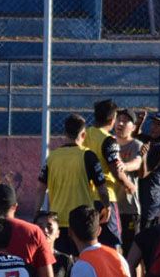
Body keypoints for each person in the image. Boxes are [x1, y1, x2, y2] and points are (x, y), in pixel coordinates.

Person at [39, 113, 110, 254]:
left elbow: (40, 189)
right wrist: (107, 207)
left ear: (65, 133)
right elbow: (102, 189)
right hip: (82, 222)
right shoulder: (88, 156)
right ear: (83, 134)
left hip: (58, 221)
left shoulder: (52, 157)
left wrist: (37, 213)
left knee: (61, 264)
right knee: (83, 261)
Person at [86, 100, 138, 246]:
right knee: (113, 243)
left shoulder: (85, 135)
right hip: (105, 198)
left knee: (91, 242)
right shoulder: (108, 140)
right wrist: (129, 185)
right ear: (112, 119)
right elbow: (116, 170)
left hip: (85, 196)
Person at [135, 111, 160, 228]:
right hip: (139, 198)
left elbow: (143, 174)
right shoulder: (154, 140)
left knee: (145, 239)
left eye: (159, 125)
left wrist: (143, 156)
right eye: (153, 123)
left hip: (149, 204)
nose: (154, 127)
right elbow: (136, 136)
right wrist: (139, 123)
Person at [113, 108, 144, 251]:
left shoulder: (136, 145)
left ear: (133, 127)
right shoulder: (109, 143)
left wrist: (123, 166)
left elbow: (137, 163)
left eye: (125, 121)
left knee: (130, 250)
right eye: (118, 119)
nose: (120, 123)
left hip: (129, 207)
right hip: (111, 206)